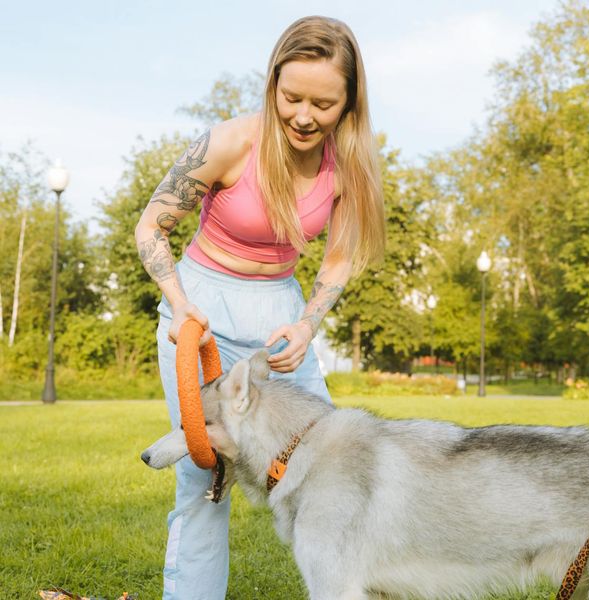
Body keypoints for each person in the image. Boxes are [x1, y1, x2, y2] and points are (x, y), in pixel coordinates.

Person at [134, 15, 385, 600]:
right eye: (291, 96)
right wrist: (181, 308)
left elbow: (339, 259)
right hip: (201, 306)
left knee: (334, 462)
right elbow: (151, 227)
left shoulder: (349, 168)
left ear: (349, 102)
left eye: (323, 103)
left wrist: (307, 324)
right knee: (204, 476)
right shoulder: (229, 143)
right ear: (273, 83)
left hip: (279, 314)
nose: (303, 115)